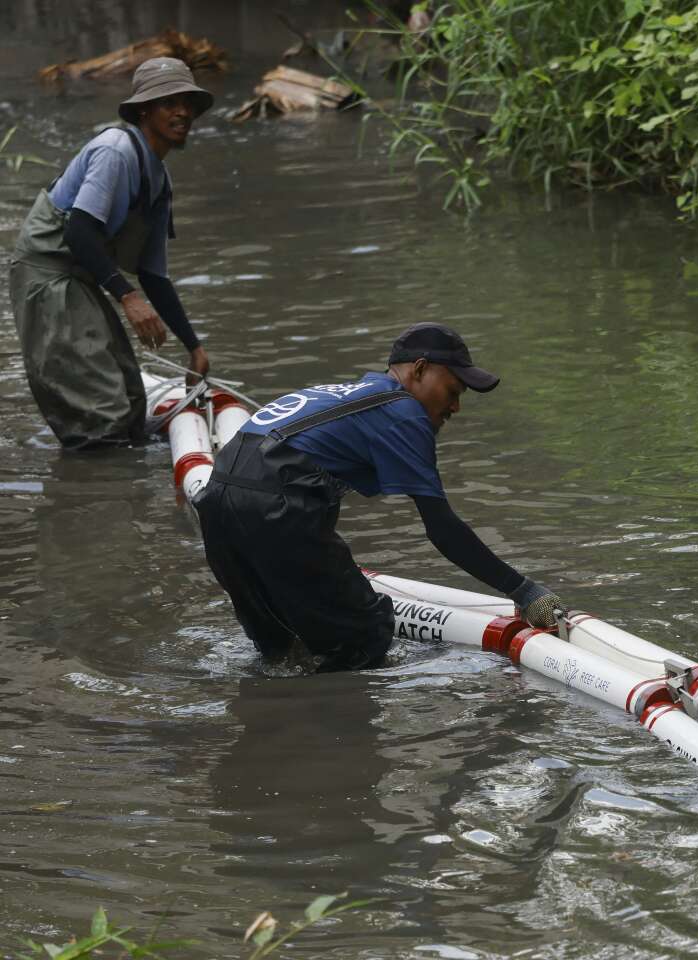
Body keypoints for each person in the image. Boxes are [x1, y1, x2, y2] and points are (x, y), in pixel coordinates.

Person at [195, 322, 562, 673]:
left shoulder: (332, 394)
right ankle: (344, 734)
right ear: (419, 370)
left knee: (279, 644)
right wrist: (523, 590)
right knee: (366, 634)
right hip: (276, 503)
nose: (455, 408)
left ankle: (279, 723)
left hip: (215, 504)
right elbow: (442, 528)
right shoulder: (403, 413)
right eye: (453, 391)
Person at [9, 57, 212, 449]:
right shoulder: (115, 150)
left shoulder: (160, 182)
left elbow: (153, 275)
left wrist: (194, 347)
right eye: (169, 102)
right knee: (100, 407)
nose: (183, 112)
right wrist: (127, 296)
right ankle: (95, 497)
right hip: (47, 275)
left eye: (187, 102)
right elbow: (79, 230)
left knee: (131, 395)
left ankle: (121, 479)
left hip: (81, 278)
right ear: (143, 110)